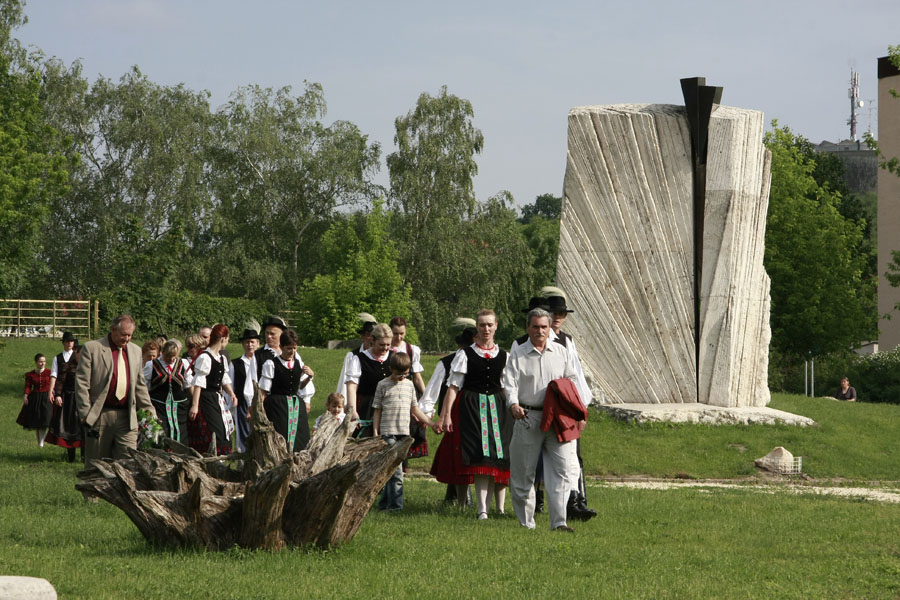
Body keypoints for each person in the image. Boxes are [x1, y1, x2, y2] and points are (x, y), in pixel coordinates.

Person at [502, 307, 581, 532]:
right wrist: (513, 404)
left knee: (562, 470)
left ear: (550, 328)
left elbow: (572, 381)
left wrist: (576, 412)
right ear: (528, 328)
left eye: (544, 327)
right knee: (523, 472)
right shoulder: (518, 353)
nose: (539, 331)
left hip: (557, 418)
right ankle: (527, 524)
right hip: (528, 416)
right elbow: (510, 383)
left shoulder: (561, 351)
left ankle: (559, 522)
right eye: (535, 326)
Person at [438, 309, 511, 520]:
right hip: (472, 408)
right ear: (476, 328)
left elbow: (506, 387)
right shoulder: (465, 354)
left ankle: (497, 508)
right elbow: (453, 386)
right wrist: (446, 415)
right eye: (482, 325)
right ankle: (482, 511)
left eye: (489, 325)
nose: (486, 329)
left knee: (498, 456)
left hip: (497, 408)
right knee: (480, 456)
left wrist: (513, 408)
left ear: (496, 325)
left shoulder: (504, 355)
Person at [75, 314, 156, 469]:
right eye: (123, 334)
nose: (126, 339)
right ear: (113, 329)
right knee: (97, 466)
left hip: (127, 417)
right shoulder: (92, 348)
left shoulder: (135, 351)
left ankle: (125, 493)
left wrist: (149, 412)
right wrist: (85, 414)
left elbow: (139, 385)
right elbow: (81, 383)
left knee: (129, 464)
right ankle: (94, 493)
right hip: (99, 415)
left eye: (130, 335)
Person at [372, 352, 436, 511]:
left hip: (404, 434)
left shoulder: (409, 386)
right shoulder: (383, 385)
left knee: (391, 472)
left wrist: (431, 423)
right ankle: (396, 507)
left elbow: (415, 409)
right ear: (391, 368)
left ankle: (384, 505)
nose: (401, 377)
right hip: (388, 433)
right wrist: (375, 432)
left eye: (405, 374)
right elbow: (377, 411)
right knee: (396, 473)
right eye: (398, 374)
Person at [427, 319, 476, 504]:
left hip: (475, 414)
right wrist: (432, 415)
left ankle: (455, 497)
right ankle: (461, 497)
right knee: (457, 455)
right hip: (454, 416)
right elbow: (433, 389)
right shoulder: (447, 363)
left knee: (466, 455)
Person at [258, 328, 315, 452]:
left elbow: (300, 386)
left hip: (295, 406)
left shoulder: (299, 363)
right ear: (281, 347)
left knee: (300, 439)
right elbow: (263, 391)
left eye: (294, 348)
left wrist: (309, 377)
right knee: (280, 437)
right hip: (277, 406)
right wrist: (259, 410)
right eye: (289, 348)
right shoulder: (271, 364)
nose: (292, 351)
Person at [189, 324, 236, 455]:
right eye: (227, 338)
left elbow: (224, 378)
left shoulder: (220, 357)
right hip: (205, 399)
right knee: (213, 432)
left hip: (217, 398)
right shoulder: (205, 357)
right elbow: (199, 383)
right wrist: (195, 405)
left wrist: (231, 393)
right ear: (223, 339)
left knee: (223, 431)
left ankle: (220, 462)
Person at [345, 323, 394, 438]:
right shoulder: (359, 359)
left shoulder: (394, 357)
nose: (385, 348)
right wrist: (353, 410)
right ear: (372, 340)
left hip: (389, 407)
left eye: (388, 344)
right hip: (366, 407)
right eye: (382, 344)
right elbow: (352, 386)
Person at [389, 316, 429, 459]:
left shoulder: (411, 350)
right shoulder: (385, 348)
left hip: (408, 393)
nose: (399, 337)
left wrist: (425, 397)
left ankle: (404, 464)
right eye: (395, 333)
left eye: (402, 334)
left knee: (409, 429)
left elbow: (417, 377)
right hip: (391, 393)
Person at [47, 332, 84, 461]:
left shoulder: (81, 357)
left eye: (71, 341)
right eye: (67, 341)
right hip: (67, 396)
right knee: (69, 425)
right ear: (63, 342)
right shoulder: (58, 358)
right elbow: (57, 378)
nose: (69, 343)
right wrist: (55, 393)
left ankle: (84, 456)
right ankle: (71, 457)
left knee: (83, 425)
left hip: (81, 396)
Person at [144, 339, 190, 444]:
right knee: (161, 430)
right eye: (168, 357)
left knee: (180, 431)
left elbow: (189, 385)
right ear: (162, 353)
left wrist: (195, 403)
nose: (171, 359)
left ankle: (180, 455)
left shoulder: (183, 363)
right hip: (159, 406)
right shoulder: (152, 365)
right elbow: (144, 387)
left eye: (174, 356)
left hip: (179, 407)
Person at [229, 328, 260, 452]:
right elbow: (230, 384)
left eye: (252, 342)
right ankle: (243, 459)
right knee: (243, 433)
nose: (250, 345)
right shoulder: (236, 363)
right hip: (242, 403)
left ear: (258, 343)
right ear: (243, 344)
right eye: (247, 342)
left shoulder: (262, 361)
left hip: (260, 402)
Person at [336, 313, 377, 399]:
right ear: (362, 336)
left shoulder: (379, 355)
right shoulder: (352, 356)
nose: (370, 339)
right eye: (368, 335)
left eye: (373, 336)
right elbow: (345, 380)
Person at [17, 353, 53, 447]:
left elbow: (53, 385)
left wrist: (53, 393)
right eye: (40, 362)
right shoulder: (31, 374)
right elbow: (28, 386)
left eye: (44, 361)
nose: (43, 363)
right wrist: (26, 395)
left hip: (46, 397)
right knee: (37, 420)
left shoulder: (49, 372)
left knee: (45, 419)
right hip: (35, 398)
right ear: (36, 362)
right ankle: (40, 443)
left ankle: (41, 442)